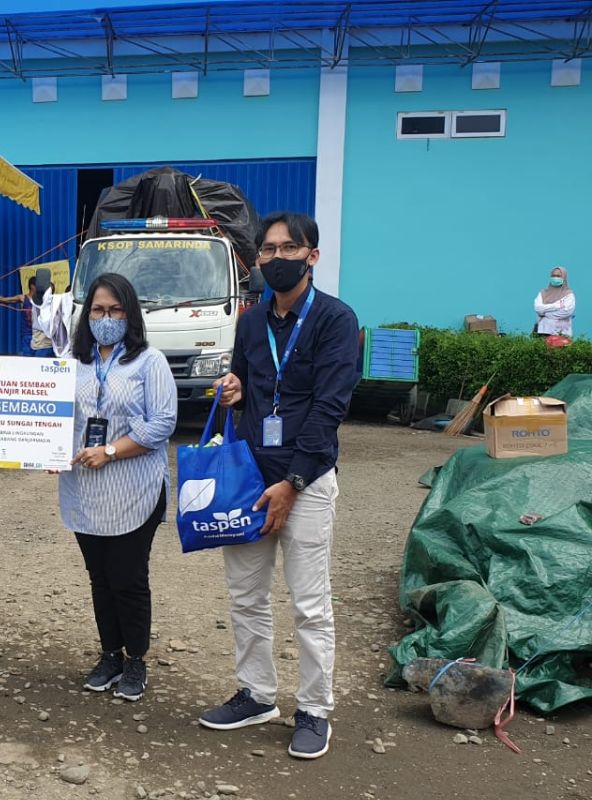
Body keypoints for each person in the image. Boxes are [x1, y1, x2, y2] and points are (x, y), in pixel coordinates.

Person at [198, 212, 360, 760]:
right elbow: (246, 379)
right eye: (266, 251)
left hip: (306, 481)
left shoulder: (335, 321)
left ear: (312, 255)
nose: (275, 258)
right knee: (246, 597)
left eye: (288, 248)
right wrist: (233, 388)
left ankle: (314, 708)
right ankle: (257, 694)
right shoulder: (249, 321)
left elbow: (329, 408)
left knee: (310, 605)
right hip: (249, 476)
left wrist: (292, 482)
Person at [59, 272, 177, 703]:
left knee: (128, 577)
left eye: (114, 310)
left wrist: (109, 451)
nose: (105, 318)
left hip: (134, 488)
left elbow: (163, 423)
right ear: (86, 315)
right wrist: (47, 450)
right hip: (84, 491)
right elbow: (55, 419)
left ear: (130, 314)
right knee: (99, 577)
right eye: (97, 310)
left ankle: (136, 660)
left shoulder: (150, 362)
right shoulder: (73, 363)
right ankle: (109, 654)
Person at [534, 266, 575, 337]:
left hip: (561, 332)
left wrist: (545, 313)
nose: (555, 278)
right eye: (553, 276)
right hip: (542, 330)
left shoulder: (569, 295)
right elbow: (537, 308)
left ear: (564, 278)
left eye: (558, 276)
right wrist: (557, 306)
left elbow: (566, 312)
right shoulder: (542, 293)